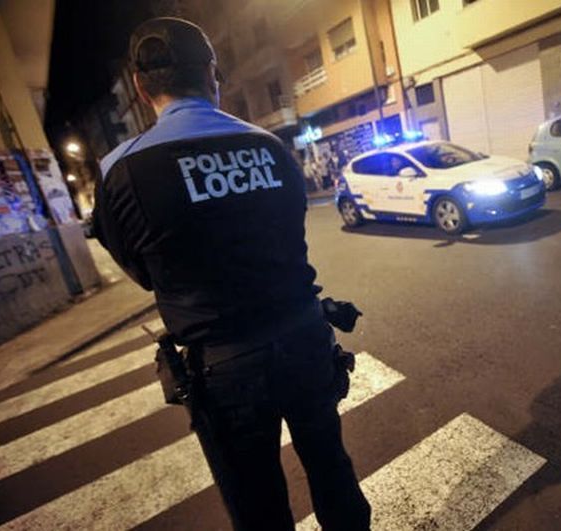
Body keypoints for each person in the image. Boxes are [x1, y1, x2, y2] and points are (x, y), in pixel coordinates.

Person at [92, 17, 370, 530]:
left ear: (140, 86)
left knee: (258, 507)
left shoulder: (120, 171)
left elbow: (141, 272)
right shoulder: (271, 149)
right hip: (305, 340)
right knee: (333, 472)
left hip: (225, 369)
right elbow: (290, 235)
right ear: (212, 74)